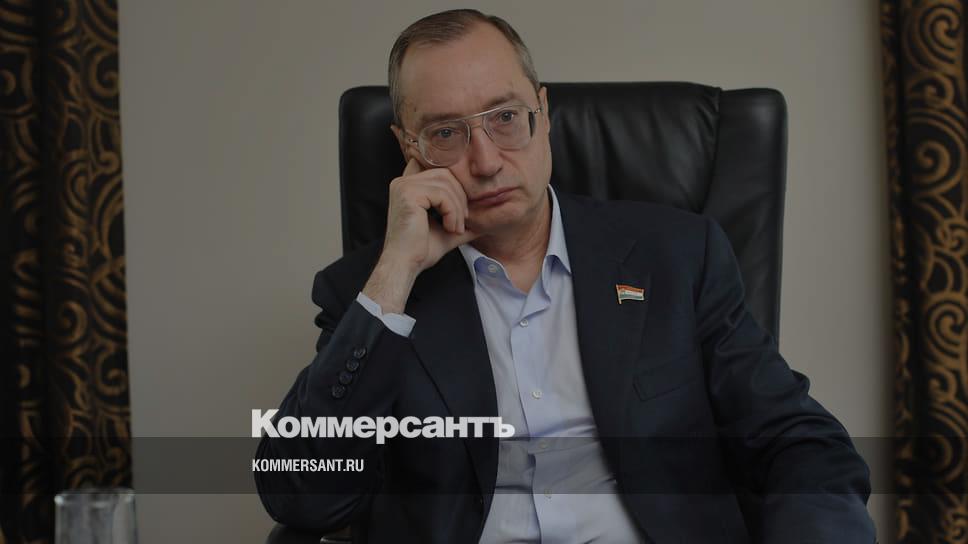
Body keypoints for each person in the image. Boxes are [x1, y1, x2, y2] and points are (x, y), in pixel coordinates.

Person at [255, 9, 876, 543]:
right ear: (407, 147)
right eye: (446, 132)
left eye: (505, 116)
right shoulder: (368, 295)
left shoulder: (677, 255)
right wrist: (396, 272)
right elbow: (302, 498)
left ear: (543, 112)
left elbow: (797, 440)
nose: (486, 161)